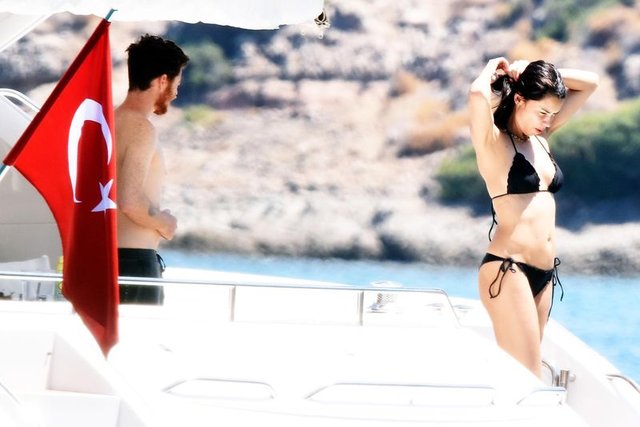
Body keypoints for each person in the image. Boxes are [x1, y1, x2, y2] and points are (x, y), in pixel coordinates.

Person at [468, 58, 598, 377]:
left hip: (544, 273)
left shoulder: (541, 137)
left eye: (553, 113)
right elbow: (477, 94)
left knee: (525, 376)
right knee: (529, 378)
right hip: (508, 267)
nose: (547, 120)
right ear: (519, 99)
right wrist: (496, 68)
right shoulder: (493, 142)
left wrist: (535, 73)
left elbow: (590, 82)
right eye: (542, 112)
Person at [115, 34, 189, 304]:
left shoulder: (108, 120)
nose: (177, 93)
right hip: (132, 264)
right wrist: (165, 223)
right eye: (177, 83)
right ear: (162, 81)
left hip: (107, 258)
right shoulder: (141, 128)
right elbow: (130, 201)